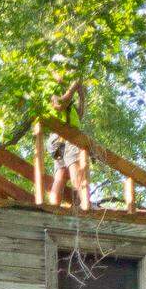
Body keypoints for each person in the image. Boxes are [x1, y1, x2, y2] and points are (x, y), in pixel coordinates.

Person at [48, 77, 87, 206]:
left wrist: (82, 96)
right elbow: (59, 105)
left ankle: (53, 206)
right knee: (76, 167)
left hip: (60, 139)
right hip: (66, 137)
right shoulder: (54, 94)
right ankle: (85, 204)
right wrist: (73, 87)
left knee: (61, 173)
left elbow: (79, 115)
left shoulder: (68, 101)